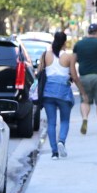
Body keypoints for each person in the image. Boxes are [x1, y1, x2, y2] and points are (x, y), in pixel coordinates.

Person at [37, 32, 87, 160]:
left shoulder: (45, 55)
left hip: (48, 92)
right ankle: (61, 141)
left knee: (51, 123)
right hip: (63, 92)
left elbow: (39, 72)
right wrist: (83, 92)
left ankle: (54, 152)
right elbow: (75, 77)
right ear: (64, 42)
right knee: (64, 120)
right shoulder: (69, 57)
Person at [73, 23, 97, 135]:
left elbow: (74, 59)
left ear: (88, 32)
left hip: (84, 76)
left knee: (85, 101)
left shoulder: (79, 44)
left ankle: (85, 118)